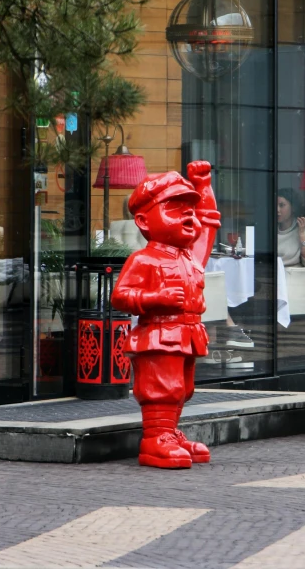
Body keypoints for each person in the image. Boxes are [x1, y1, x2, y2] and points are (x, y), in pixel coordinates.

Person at [111, 161, 221, 469]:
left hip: (186, 333)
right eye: (175, 207)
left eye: (189, 208)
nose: (188, 214)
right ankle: (155, 437)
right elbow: (121, 296)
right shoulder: (144, 258)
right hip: (159, 334)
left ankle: (170, 431)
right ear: (144, 221)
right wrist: (155, 297)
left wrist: (204, 186)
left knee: (183, 389)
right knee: (162, 388)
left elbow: (208, 222)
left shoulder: (191, 256)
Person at [277, 188, 305, 267]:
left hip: (293, 274)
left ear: (293, 207)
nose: (277, 209)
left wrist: (302, 234)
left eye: (282, 205)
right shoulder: (269, 227)